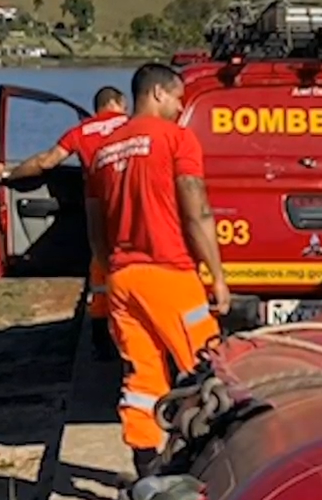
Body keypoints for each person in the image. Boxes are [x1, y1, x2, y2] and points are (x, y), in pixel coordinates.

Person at [86, 62, 229, 477]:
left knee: (142, 377)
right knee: (209, 372)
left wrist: (108, 267)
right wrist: (216, 275)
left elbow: (96, 221)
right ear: (159, 93)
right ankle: (210, 467)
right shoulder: (177, 139)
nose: (181, 106)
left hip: (122, 278)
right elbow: (196, 210)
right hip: (169, 273)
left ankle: (147, 470)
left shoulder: (104, 151)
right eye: (179, 97)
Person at [0, 86, 127, 360]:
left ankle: (101, 336)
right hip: (134, 208)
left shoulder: (81, 132)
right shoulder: (134, 126)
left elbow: (46, 162)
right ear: (119, 103)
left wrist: (7, 174)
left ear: (98, 106)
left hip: (99, 211)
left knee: (100, 272)